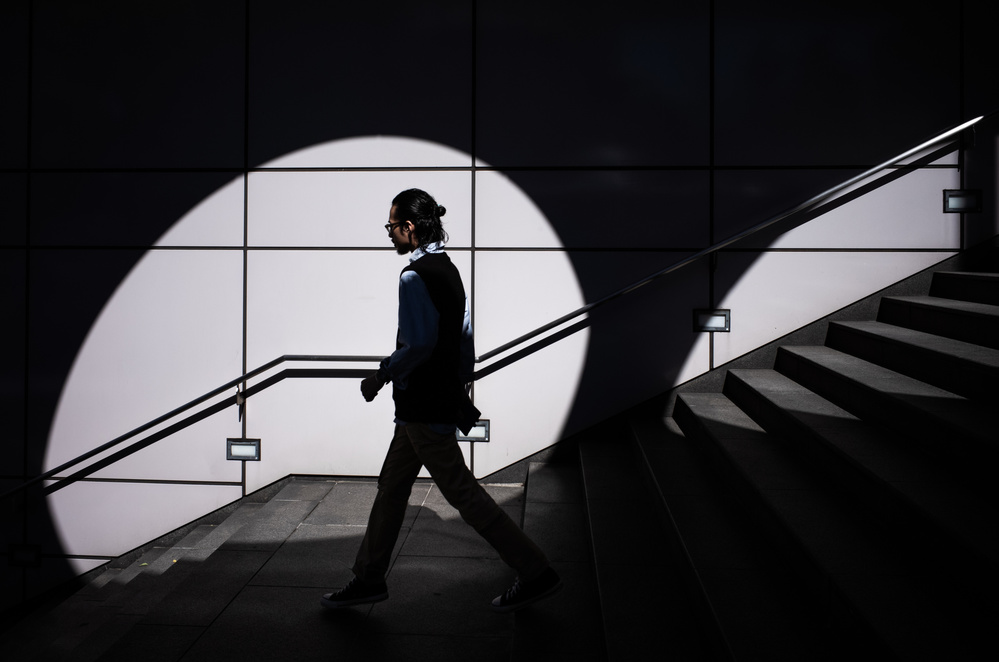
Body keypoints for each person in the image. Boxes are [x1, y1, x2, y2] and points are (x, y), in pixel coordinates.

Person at [320, 188, 562, 613]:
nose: (389, 234)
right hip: (427, 405)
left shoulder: (414, 277)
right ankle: (369, 577)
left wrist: (379, 375)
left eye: (392, 226)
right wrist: (458, 388)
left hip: (421, 408)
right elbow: (464, 339)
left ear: (409, 228)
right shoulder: (448, 269)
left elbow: (417, 345)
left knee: (463, 494)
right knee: (392, 487)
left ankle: (535, 569)